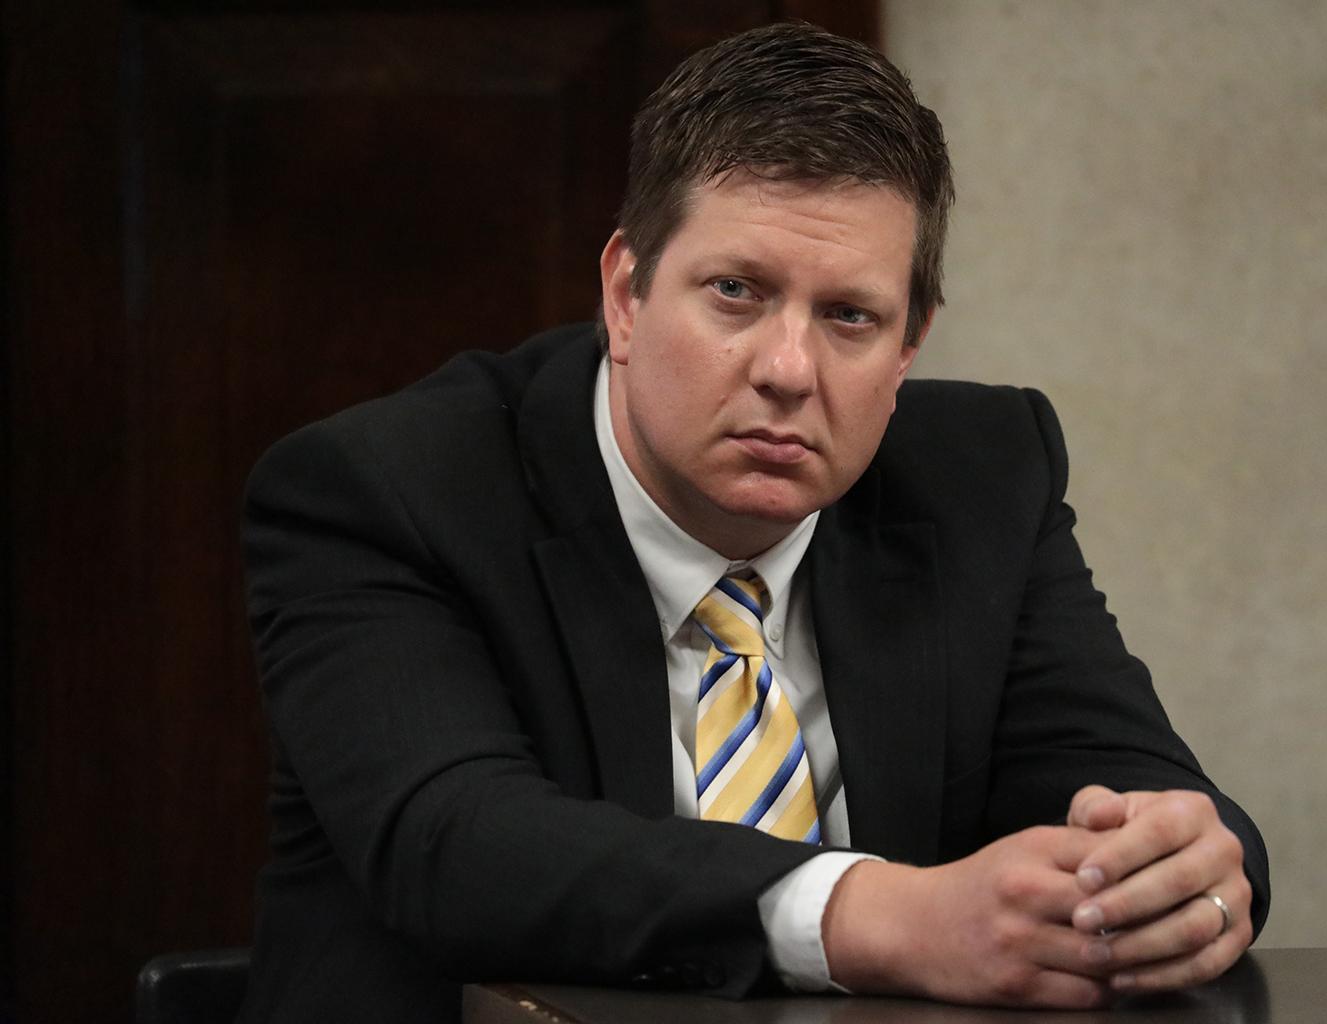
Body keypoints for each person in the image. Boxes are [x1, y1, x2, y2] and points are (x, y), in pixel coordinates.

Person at [238, 21, 1268, 1023]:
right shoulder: (386, 491)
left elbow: (1128, 782)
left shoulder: (984, 479)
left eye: (850, 317)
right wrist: (878, 914)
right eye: (736, 292)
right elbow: (459, 845)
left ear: (910, 344)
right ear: (626, 294)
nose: (788, 370)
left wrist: (1175, 872)